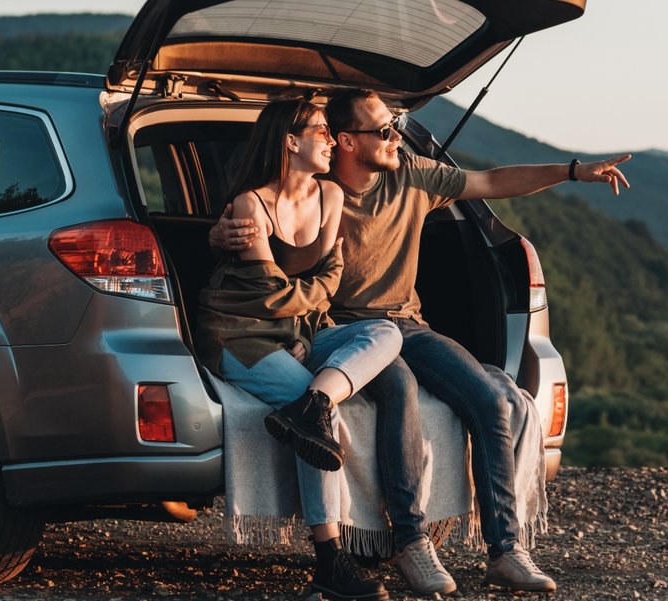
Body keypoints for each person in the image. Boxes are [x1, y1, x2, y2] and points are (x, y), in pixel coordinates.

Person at [212, 89, 630, 595]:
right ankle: (412, 542)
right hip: (341, 330)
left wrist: (572, 171)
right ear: (344, 140)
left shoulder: (409, 173)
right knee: (399, 391)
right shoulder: (316, 183)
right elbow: (275, 229)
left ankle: (505, 549)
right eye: (383, 130)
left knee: (492, 397)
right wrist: (223, 234)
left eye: (395, 127)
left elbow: (491, 181)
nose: (395, 137)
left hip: (406, 323)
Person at [196, 99, 400, 601]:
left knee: (386, 334)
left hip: (298, 334)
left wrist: (311, 296)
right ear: (291, 140)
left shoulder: (331, 195)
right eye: (322, 131)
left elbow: (331, 280)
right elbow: (270, 295)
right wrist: (312, 293)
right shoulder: (250, 204)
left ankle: (315, 402)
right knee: (321, 428)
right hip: (239, 334)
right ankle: (330, 560)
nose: (332, 140)